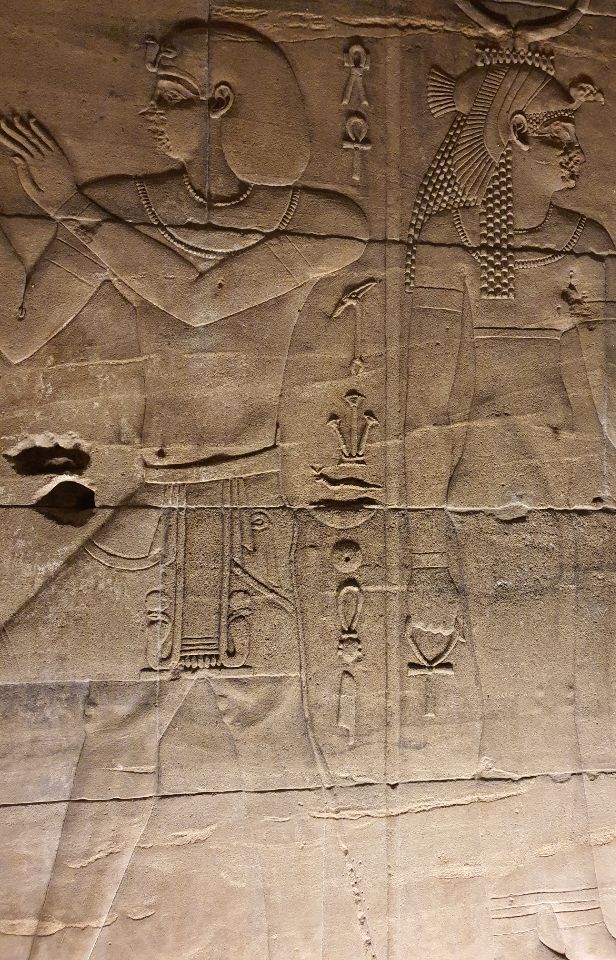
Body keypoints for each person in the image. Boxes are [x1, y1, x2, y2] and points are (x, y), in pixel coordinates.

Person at [0, 18, 368, 959]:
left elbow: (201, 300)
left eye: (167, 94)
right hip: (156, 510)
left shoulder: (324, 220)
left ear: (222, 104)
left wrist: (71, 211)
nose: (148, 112)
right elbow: (21, 338)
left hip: (250, 512)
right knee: (115, 743)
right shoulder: (117, 208)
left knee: (273, 747)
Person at [401, 45, 616, 960]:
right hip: (494, 524)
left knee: (575, 729)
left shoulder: (588, 245)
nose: (575, 151)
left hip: (575, 524)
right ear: (513, 136)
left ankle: (552, 924)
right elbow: (428, 414)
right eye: (560, 134)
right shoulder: (453, 245)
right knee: (522, 729)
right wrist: (424, 564)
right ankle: (534, 925)